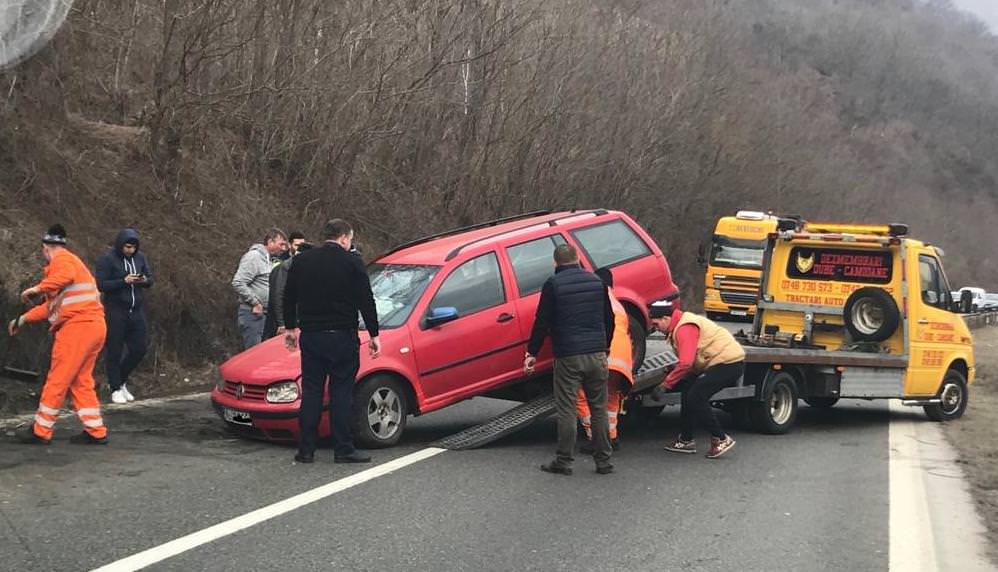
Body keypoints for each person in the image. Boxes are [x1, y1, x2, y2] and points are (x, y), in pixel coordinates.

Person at [283, 219, 380, 464]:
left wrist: (290, 328)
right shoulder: (352, 262)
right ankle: (343, 448)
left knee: (312, 391)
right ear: (345, 238)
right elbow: (365, 300)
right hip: (341, 336)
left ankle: (306, 449)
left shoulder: (302, 261)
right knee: (341, 393)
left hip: (312, 336)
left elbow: (289, 295)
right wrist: (374, 333)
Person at [8, 224, 109, 445]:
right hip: (94, 327)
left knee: (58, 379)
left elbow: (63, 276)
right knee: (81, 381)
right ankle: (95, 430)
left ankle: (41, 430)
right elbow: (50, 308)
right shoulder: (71, 268)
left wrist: (37, 288)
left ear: (46, 248)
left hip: (77, 327)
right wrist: (22, 319)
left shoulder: (62, 260)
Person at [524, 244, 615, 476]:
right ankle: (603, 461)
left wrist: (531, 352)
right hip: (596, 353)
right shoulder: (597, 282)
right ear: (577, 259)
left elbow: (542, 321)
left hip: (568, 355)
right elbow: (609, 318)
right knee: (599, 408)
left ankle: (564, 461)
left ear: (556, 263)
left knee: (567, 408)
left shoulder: (553, 285)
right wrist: (605, 347)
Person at [648, 299, 745, 459]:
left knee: (696, 396)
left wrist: (665, 385)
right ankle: (686, 440)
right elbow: (689, 360)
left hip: (728, 362)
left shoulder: (684, 328)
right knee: (688, 392)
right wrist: (674, 371)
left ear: (666, 318)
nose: (656, 329)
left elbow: (686, 362)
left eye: (656, 324)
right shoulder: (678, 326)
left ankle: (720, 438)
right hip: (713, 362)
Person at [577, 267, 633, 451]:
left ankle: (596, 438)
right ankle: (612, 437)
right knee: (610, 398)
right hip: (622, 360)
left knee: (582, 395)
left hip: (603, 354)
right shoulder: (617, 303)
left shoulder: (594, 298)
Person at [95, 228, 153, 404]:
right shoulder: (107, 260)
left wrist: (143, 280)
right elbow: (101, 284)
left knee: (139, 348)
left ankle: (121, 380)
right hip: (116, 310)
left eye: (133, 247)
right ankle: (115, 388)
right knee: (115, 350)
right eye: (127, 247)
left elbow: (150, 279)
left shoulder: (140, 258)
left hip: (136, 309)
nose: (130, 250)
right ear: (121, 245)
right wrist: (123, 281)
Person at [231, 228, 287, 349]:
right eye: (281, 244)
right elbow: (238, 282)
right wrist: (255, 302)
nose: (283, 248)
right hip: (252, 315)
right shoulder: (254, 257)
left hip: (266, 315)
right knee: (253, 353)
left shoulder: (271, 260)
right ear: (270, 242)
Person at [264, 233, 311, 340]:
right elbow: (279, 295)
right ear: (290, 245)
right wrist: (282, 323)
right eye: (296, 245)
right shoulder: (285, 266)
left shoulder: (298, 266)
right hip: (283, 322)